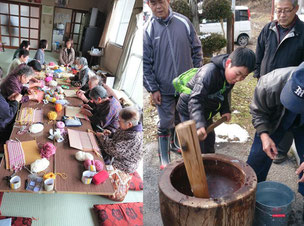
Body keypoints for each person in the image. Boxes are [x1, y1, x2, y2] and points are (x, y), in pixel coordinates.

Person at [144, 0, 203, 169]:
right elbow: (146, 64)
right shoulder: (148, 29)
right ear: (149, 5)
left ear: (168, 1)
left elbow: (196, 49)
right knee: (165, 121)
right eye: (153, 3)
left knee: (183, 117)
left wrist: (198, 75)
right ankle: (164, 157)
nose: (158, 7)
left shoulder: (183, 22)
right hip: (164, 87)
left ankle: (177, 144)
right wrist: (153, 89)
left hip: (186, 85)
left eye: (161, 2)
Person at [177, 47, 256, 154]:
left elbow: (222, 94)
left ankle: (209, 164)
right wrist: (199, 125)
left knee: (209, 140)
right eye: (238, 74)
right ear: (228, 63)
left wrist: (225, 110)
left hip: (205, 110)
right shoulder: (208, 73)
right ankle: (193, 167)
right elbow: (195, 100)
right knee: (196, 146)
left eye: (243, 77)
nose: (238, 79)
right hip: (190, 109)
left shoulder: (229, 78)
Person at [254, 0, 304, 164]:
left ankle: (281, 150)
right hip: (268, 85)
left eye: (286, 11)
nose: (281, 15)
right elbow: (259, 52)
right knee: (265, 113)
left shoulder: (302, 31)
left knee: (289, 117)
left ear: (296, 9)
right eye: (278, 10)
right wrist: (258, 74)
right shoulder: (268, 29)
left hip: (291, 88)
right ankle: (264, 139)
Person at [247, 62, 304, 196]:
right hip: (275, 119)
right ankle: (249, 195)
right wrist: (264, 135)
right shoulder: (270, 83)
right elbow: (258, 111)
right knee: (257, 159)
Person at [98, 107, 143, 201]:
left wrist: (103, 138)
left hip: (124, 164)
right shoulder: (129, 127)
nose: (118, 122)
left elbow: (114, 150)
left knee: (98, 175)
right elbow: (118, 137)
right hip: (117, 155)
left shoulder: (134, 137)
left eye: (119, 121)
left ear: (129, 124)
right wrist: (110, 134)